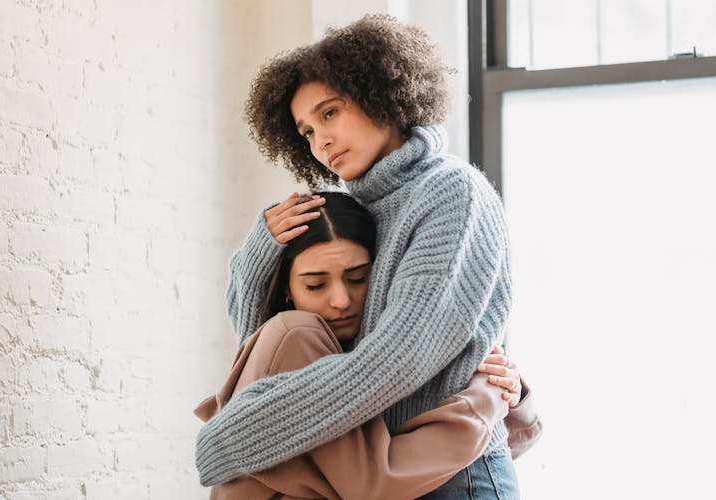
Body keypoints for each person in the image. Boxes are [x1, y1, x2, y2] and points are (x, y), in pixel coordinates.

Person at [196, 14, 541, 498]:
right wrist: (261, 251)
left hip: (455, 478)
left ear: (381, 93)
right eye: (307, 131)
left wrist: (243, 432)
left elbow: (399, 358)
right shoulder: (360, 209)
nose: (321, 142)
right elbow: (268, 348)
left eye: (330, 113)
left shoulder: (450, 192)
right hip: (384, 469)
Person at [194, 192, 530, 499]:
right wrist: (486, 399)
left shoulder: (343, 350)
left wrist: (511, 391)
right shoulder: (297, 334)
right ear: (288, 289)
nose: (341, 300)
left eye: (358, 278)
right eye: (315, 285)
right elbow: (376, 482)